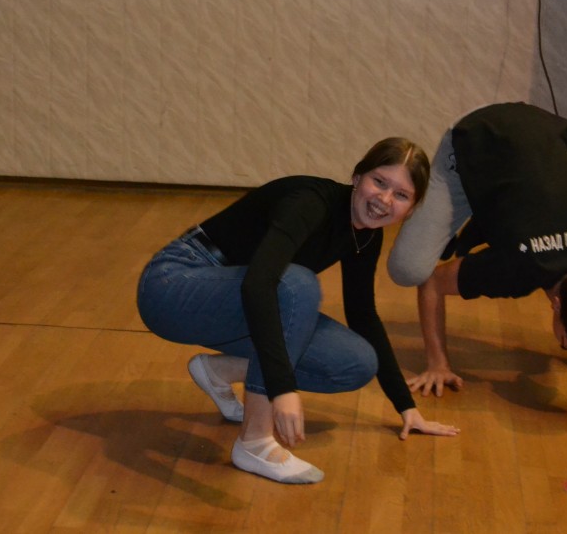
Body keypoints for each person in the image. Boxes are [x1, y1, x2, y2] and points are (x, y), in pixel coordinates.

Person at [137, 137, 460, 485]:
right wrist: (281, 387)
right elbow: (258, 284)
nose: (384, 199)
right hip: (173, 287)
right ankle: (255, 442)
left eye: (401, 195)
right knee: (296, 285)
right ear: (357, 177)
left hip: (229, 303)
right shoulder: (310, 203)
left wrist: (406, 406)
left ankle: (218, 371)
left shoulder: (366, 235)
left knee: (356, 362)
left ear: (411, 208)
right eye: (379, 182)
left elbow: (363, 315)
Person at [386, 102, 567, 397]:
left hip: (543, 138)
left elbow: (565, 274)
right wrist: (437, 364)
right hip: (479, 136)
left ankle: (556, 164)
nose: (565, 345)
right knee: (407, 269)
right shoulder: (517, 267)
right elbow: (432, 283)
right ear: (557, 304)